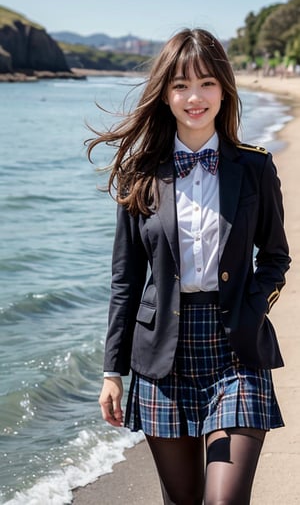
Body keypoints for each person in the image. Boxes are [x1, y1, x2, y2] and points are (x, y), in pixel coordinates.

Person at [87, 28, 291, 504]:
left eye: (206, 83)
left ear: (224, 89)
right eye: (180, 85)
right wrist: (111, 371)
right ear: (164, 94)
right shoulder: (140, 175)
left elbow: (276, 257)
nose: (193, 97)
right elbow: (126, 280)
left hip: (237, 348)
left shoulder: (255, 169)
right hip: (163, 357)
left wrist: (253, 306)